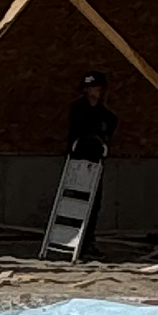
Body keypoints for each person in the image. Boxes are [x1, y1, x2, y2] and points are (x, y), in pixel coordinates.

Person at [59, 68, 118, 258]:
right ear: (85, 89)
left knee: (94, 201)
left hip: (95, 160)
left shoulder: (103, 112)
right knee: (75, 199)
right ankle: (71, 240)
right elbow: (74, 133)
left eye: (98, 87)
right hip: (78, 159)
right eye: (92, 87)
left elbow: (111, 123)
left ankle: (88, 241)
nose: (96, 91)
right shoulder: (78, 108)